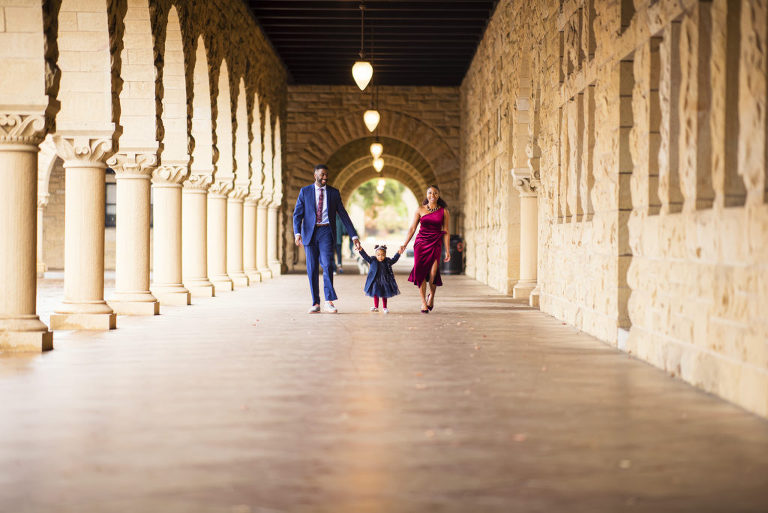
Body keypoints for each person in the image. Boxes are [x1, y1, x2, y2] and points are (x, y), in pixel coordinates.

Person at [294, 164, 361, 313]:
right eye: (322, 175)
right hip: (309, 233)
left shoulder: (333, 193)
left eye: (326, 175)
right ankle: (315, 302)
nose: (325, 177)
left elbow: (343, 214)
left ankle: (329, 301)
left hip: (326, 231)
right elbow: (297, 214)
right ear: (315, 176)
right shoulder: (304, 192)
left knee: (328, 265)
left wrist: (353, 235)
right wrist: (297, 233)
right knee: (311, 268)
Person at [400, 185, 450, 313]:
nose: (432, 195)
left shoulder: (444, 211)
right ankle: (423, 302)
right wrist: (404, 244)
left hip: (435, 243)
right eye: (430, 193)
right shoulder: (420, 210)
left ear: (438, 195)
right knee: (421, 272)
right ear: (426, 194)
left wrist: (448, 250)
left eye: (435, 193)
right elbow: (412, 229)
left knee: (433, 273)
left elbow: (446, 231)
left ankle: (431, 296)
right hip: (421, 244)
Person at [358, 244, 403, 314]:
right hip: (375, 280)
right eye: (378, 255)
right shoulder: (372, 260)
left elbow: (394, 259)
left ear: (385, 255)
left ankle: (385, 307)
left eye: (382, 255)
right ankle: (376, 307)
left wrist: (398, 253)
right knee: (376, 293)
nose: (380, 257)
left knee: (385, 294)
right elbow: (365, 256)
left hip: (385, 281)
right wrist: (361, 249)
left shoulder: (387, 261)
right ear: (375, 255)